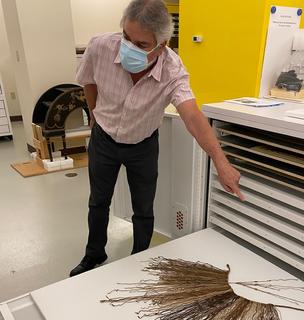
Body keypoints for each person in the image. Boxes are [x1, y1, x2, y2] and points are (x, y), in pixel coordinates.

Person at [70, 0, 244, 277]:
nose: (129, 47)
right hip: (104, 139)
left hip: (143, 145)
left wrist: (221, 162)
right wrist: (93, 115)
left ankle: (139, 258)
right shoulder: (100, 46)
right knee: (98, 201)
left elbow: (192, 117)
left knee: (143, 207)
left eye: (141, 45)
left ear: (161, 45)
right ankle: (94, 254)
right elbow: (88, 80)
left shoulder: (173, 71)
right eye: (126, 37)